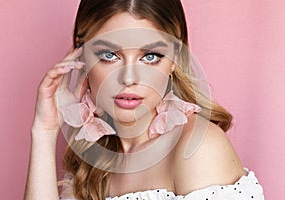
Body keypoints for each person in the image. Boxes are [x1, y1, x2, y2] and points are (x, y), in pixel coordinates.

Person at [24, 0, 264, 199]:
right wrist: (45, 131)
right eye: (109, 55)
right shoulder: (92, 161)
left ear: (174, 59)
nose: (129, 78)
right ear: (82, 56)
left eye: (150, 56)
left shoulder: (198, 148)